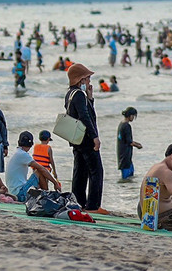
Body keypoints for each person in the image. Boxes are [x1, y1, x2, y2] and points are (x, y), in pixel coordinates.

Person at [65, 63, 105, 212]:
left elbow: (79, 113)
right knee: (96, 171)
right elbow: (85, 116)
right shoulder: (79, 95)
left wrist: (90, 98)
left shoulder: (70, 94)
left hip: (76, 139)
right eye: (87, 78)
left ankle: (79, 202)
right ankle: (93, 206)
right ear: (79, 79)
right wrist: (94, 136)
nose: (89, 81)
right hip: (86, 138)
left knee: (79, 172)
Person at [6, 130, 60, 201]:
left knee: (37, 176)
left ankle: (45, 195)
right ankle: (47, 198)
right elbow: (42, 169)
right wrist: (55, 183)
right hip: (20, 194)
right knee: (39, 171)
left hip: (13, 192)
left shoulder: (16, 152)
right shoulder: (23, 154)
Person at [116, 107, 142, 181]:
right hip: (125, 155)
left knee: (129, 176)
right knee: (127, 177)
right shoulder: (127, 126)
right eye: (133, 116)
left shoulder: (121, 124)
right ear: (130, 115)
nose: (133, 118)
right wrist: (138, 146)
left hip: (122, 154)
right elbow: (129, 142)